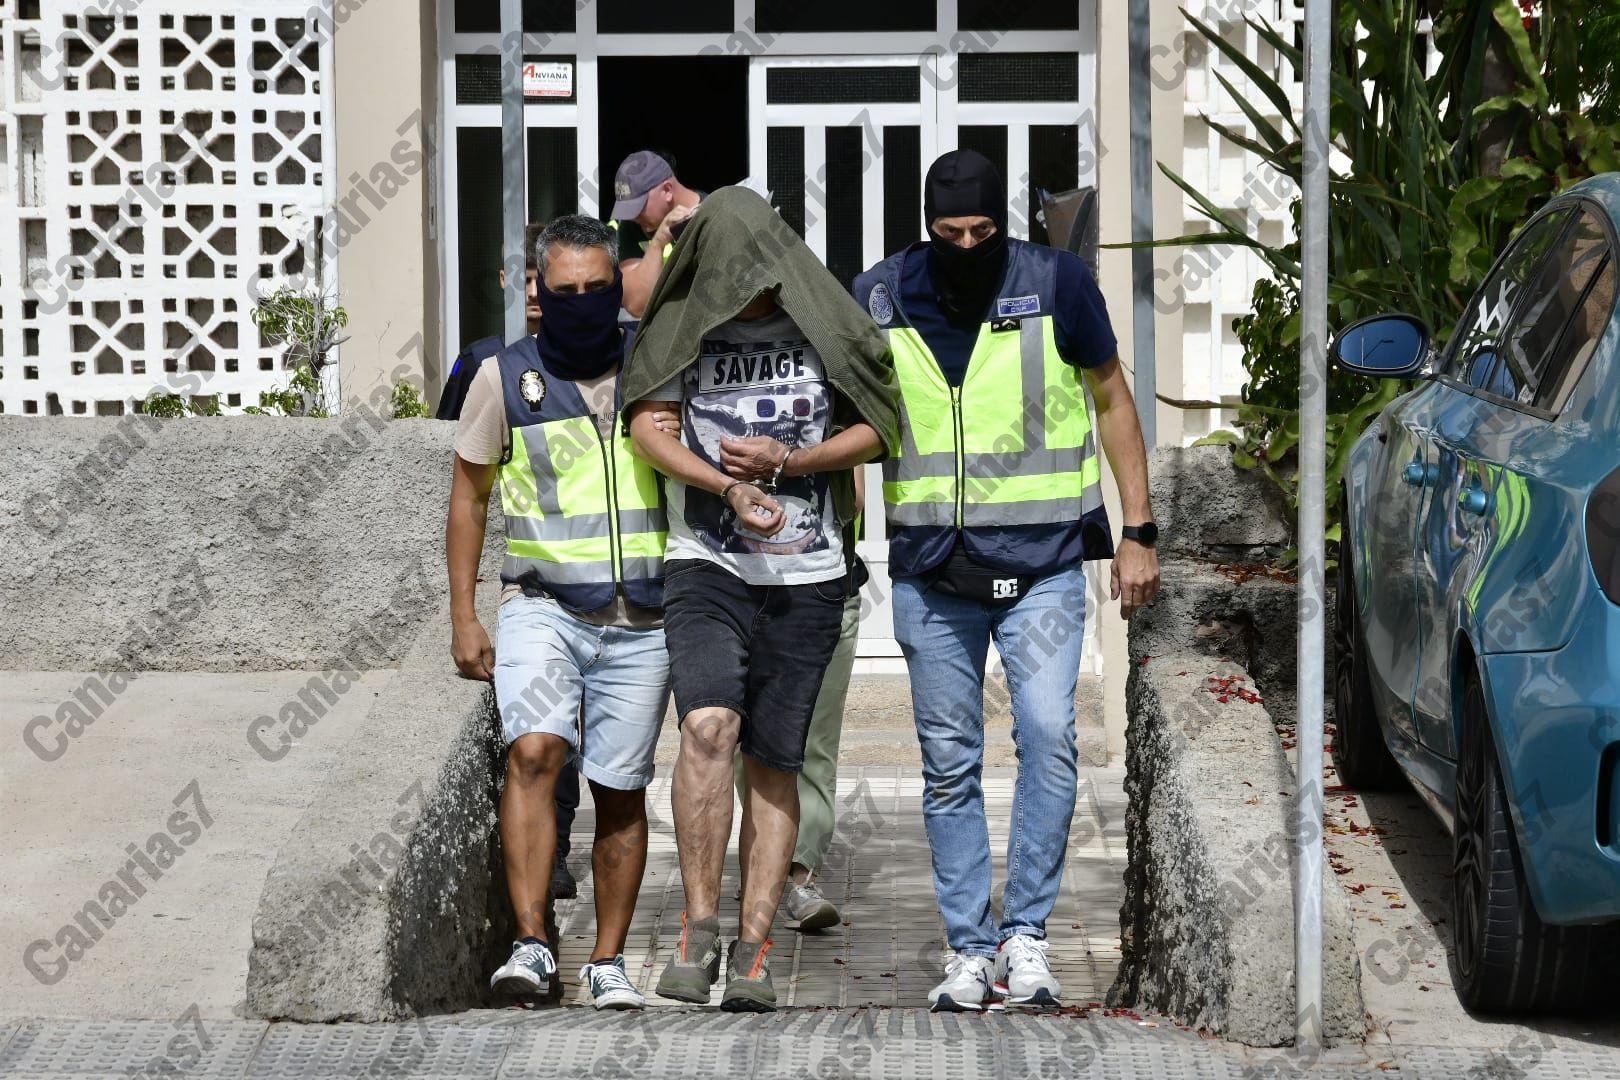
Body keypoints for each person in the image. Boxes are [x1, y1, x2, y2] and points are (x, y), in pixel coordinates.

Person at [852, 150, 1161, 1012]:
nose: (965, 245)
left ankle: (1026, 937)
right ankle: (966, 949)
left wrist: (1138, 529)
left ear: (1005, 223)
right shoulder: (878, 296)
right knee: (949, 763)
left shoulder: (1056, 282)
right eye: (948, 233)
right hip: (929, 571)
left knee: (1049, 740)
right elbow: (852, 422)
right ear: (926, 227)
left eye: (982, 232)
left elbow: (1112, 401)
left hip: (1045, 565)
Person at [622, 186, 899, 1012]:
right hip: (707, 564)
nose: (745, 290)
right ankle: (696, 932)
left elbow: (880, 428)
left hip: (808, 575)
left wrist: (788, 462)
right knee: (709, 729)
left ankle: (753, 947)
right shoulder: (681, 324)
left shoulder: (827, 322)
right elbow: (647, 424)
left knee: (775, 764)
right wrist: (723, 486)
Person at [445, 215, 673, 1011]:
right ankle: (534, 943)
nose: (582, 302)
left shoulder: (659, 365)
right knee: (535, 754)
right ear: (539, 291)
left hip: (646, 617)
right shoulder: (503, 378)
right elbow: (469, 497)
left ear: (618, 288)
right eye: (565, 290)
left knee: (619, 786)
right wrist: (464, 615)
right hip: (543, 604)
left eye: (597, 290)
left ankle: (608, 961)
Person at [437, 221, 547, 422]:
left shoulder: (574, 355)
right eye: (524, 281)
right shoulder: (476, 359)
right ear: (503, 279)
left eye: (541, 281)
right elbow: (446, 432)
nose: (533, 293)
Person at [608, 150, 702, 318]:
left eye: (638, 207)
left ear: (667, 190)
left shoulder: (711, 214)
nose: (634, 217)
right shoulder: (631, 226)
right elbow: (637, 305)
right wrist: (659, 242)